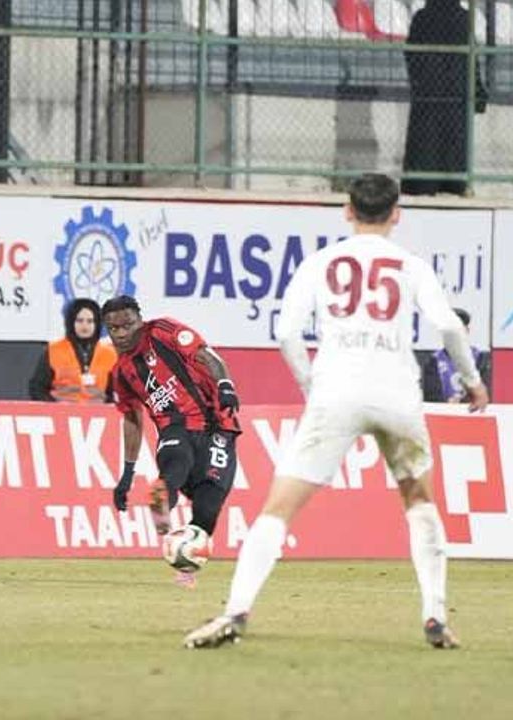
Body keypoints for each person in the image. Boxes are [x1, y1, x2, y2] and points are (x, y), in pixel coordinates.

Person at [184, 174, 488, 649]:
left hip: (336, 393)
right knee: (419, 501)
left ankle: (236, 610)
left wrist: (312, 385)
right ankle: (434, 616)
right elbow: (449, 326)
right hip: (396, 394)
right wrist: (472, 380)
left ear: (347, 211)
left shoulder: (321, 263)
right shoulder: (410, 266)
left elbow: (287, 332)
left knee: (279, 507)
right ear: (396, 214)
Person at [102, 295, 242, 588]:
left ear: (140, 320)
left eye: (127, 325)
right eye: (114, 328)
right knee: (175, 463)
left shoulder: (163, 331)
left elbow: (208, 356)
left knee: (208, 505)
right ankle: (163, 499)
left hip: (217, 424)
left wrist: (225, 385)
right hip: (174, 428)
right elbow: (132, 419)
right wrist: (127, 473)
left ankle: (186, 564)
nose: (121, 333)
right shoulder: (122, 372)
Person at [401, 0, 487, 197]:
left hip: (428, 96)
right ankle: (454, 184)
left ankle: (422, 185)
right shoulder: (462, 18)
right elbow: (471, 61)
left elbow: (412, 56)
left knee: (425, 146)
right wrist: (477, 91)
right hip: (455, 96)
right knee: (453, 146)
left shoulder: (423, 18)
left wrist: (422, 83)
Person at [28, 298, 117, 403]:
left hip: (98, 411)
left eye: (90, 321)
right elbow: (37, 388)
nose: (85, 326)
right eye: (80, 320)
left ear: (97, 324)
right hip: (61, 411)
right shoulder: (54, 350)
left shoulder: (110, 354)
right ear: (71, 322)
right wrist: (53, 407)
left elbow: (115, 392)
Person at [422, 308, 492, 403]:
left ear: (467, 331)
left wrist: (460, 403)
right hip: (442, 411)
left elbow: (483, 392)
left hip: (471, 410)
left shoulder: (479, 358)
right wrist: (447, 403)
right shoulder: (434, 361)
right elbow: (431, 396)